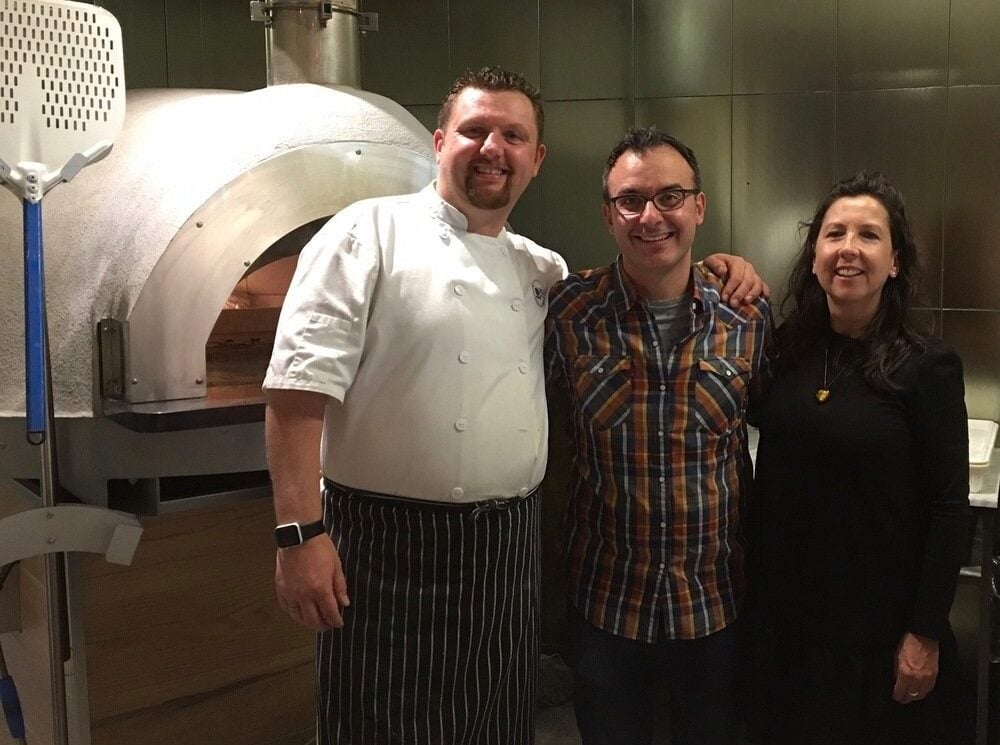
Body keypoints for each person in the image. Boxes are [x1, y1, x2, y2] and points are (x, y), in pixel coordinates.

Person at [264, 68, 763, 745]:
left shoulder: (541, 273)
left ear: (536, 158)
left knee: (494, 723)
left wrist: (721, 268)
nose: (493, 146)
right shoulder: (364, 235)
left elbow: (653, 273)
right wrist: (299, 534)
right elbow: (297, 390)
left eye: (513, 134)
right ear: (440, 142)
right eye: (475, 130)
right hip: (383, 548)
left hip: (504, 552)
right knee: (376, 724)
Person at [545, 126, 772, 745]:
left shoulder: (746, 314)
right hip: (606, 605)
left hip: (716, 605)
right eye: (631, 200)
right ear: (608, 214)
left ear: (699, 207)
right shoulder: (567, 313)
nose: (651, 216)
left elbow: (787, 432)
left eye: (671, 197)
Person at [746, 171, 970, 745]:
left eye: (869, 235)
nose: (849, 249)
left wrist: (923, 636)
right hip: (788, 626)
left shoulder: (926, 366)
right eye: (834, 234)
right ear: (815, 255)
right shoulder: (784, 350)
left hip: (879, 634)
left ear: (895, 262)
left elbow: (950, 508)